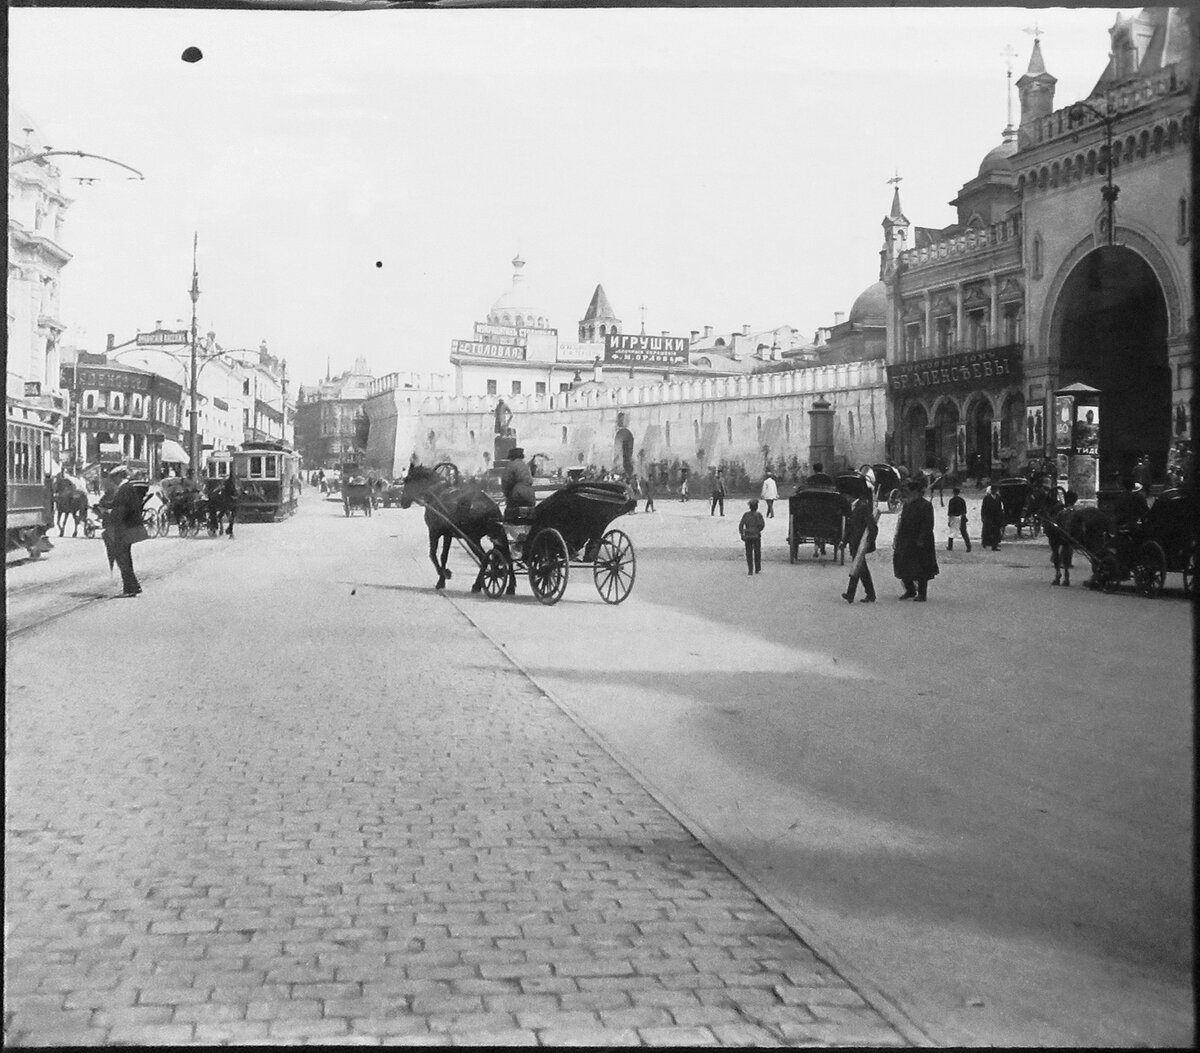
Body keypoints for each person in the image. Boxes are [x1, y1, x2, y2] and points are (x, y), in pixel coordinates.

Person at [98, 464, 146, 597]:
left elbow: (122, 509)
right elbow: (119, 505)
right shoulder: (125, 488)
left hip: (124, 528)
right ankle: (132, 586)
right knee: (124, 558)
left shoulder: (125, 489)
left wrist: (108, 512)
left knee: (122, 558)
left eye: (114, 477)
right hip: (126, 527)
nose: (112, 480)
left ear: (120, 476)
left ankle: (131, 588)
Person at [893, 478, 938, 601]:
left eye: (912, 491)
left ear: (917, 492)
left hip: (920, 541)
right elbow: (902, 523)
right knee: (902, 564)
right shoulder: (907, 505)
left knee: (921, 568)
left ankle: (922, 594)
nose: (909, 494)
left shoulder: (926, 505)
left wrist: (922, 539)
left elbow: (928, 524)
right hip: (906, 539)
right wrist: (897, 538)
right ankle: (910, 590)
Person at [842, 493, 878, 603]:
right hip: (855, 542)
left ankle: (856, 593)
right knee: (859, 568)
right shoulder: (854, 507)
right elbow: (849, 528)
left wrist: (868, 542)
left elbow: (872, 526)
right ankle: (864, 593)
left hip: (860, 543)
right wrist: (844, 541)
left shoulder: (862, 507)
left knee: (859, 568)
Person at [501, 447, 535, 519]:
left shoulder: (511, 465)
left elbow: (506, 482)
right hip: (530, 492)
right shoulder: (525, 465)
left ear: (511, 457)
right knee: (530, 514)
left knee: (510, 514)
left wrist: (507, 495)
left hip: (517, 492)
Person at [738, 498, 765, 575]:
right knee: (757, 552)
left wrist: (742, 534)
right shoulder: (758, 515)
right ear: (757, 507)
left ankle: (750, 569)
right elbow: (762, 525)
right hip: (756, 536)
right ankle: (757, 568)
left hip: (748, 536)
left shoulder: (746, 515)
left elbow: (741, 525)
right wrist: (757, 530)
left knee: (749, 553)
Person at [980, 483, 1004, 551]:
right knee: (987, 530)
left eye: (995, 490)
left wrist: (1001, 517)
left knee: (996, 531)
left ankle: (995, 545)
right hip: (988, 516)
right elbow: (983, 508)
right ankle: (985, 542)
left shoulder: (998, 498)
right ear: (991, 490)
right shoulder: (987, 498)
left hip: (996, 517)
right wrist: (983, 517)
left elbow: (1000, 508)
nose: (994, 491)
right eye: (993, 490)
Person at [946, 486, 971, 551]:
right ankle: (968, 547)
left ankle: (950, 547)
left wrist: (949, 521)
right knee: (964, 533)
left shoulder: (951, 501)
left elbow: (950, 512)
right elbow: (965, 511)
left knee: (952, 533)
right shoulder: (962, 500)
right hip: (961, 516)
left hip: (954, 517)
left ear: (953, 492)